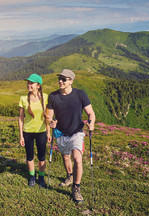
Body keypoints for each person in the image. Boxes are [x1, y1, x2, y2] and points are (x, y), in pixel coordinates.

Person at [45, 69, 95, 204]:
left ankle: (76, 188)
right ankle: (69, 176)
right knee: (65, 156)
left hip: (77, 132)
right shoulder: (53, 96)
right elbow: (48, 115)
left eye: (64, 79)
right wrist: (51, 122)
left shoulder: (80, 94)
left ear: (71, 81)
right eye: (60, 79)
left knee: (77, 159)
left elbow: (91, 113)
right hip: (61, 132)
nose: (60, 81)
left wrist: (92, 123)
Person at [18, 74, 51, 188]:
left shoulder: (45, 97)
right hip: (28, 132)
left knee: (42, 156)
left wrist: (49, 132)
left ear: (38, 85)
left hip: (41, 131)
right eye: (28, 83)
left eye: (31, 83)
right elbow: (21, 118)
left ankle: (41, 177)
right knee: (29, 156)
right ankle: (32, 176)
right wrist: (21, 135)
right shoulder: (23, 99)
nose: (29, 85)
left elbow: (47, 116)